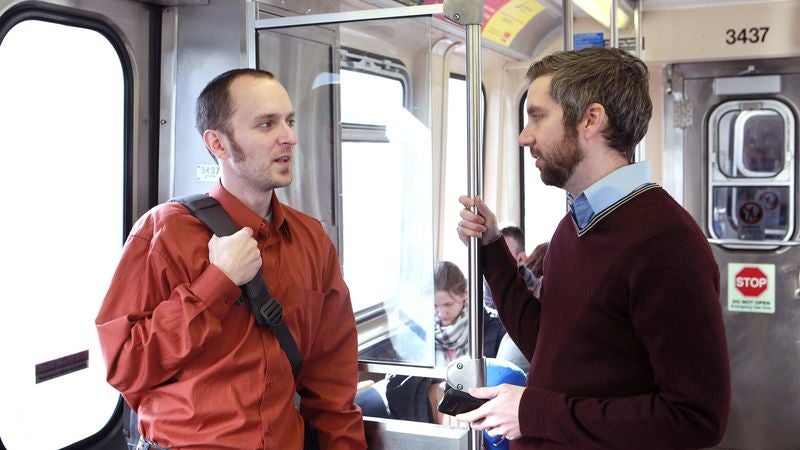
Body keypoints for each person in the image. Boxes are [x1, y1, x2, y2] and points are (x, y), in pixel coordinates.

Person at [456, 46, 730, 449]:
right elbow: (549, 344)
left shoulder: (665, 244)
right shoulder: (577, 224)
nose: (523, 136)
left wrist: (533, 412)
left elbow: (694, 418)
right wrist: (493, 246)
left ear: (590, 119)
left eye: (537, 116)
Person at [95, 68, 366, 449]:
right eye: (266, 124)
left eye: (289, 121)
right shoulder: (165, 232)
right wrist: (216, 282)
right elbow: (125, 366)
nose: (289, 137)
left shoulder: (311, 240)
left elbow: (332, 383)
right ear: (218, 144)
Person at [355, 261, 507, 423]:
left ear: (465, 294)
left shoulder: (493, 328)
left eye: (448, 304)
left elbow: (501, 379)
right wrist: (435, 391)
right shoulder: (418, 330)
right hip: (428, 405)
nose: (441, 313)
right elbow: (397, 381)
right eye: (434, 306)